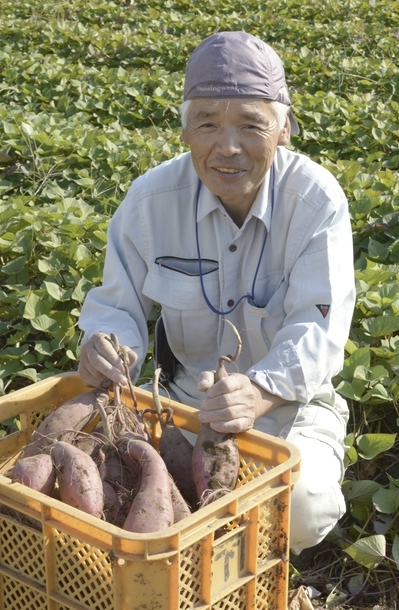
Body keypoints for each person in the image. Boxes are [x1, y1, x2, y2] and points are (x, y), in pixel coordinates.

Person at [76, 31, 355, 554]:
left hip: (288, 407)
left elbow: (318, 328)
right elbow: (116, 303)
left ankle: (260, 558)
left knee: (299, 509)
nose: (227, 147)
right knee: (108, 484)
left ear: (284, 129)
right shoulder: (151, 200)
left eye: (251, 125)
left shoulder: (314, 200)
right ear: (185, 131)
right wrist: (105, 343)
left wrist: (260, 391)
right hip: (183, 404)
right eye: (207, 124)